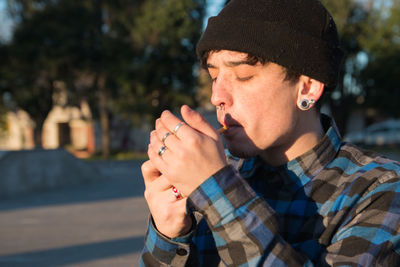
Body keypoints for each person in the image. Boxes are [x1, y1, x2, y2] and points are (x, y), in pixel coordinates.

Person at [139, 0, 400, 266]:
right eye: (214, 76)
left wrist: (216, 190)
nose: (217, 96)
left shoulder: (380, 190)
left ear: (307, 88)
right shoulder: (220, 176)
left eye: (243, 75)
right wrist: (169, 235)